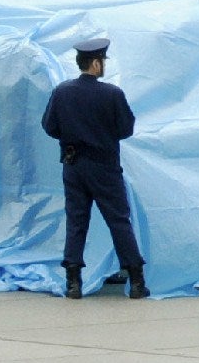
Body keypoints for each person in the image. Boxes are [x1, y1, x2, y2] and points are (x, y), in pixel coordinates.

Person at [40, 37, 149, 299]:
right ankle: (135, 280)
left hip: (73, 164)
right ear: (97, 63)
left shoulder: (62, 92)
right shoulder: (112, 94)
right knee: (118, 221)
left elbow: (49, 126)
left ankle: (73, 282)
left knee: (76, 222)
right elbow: (125, 129)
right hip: (104, 166)